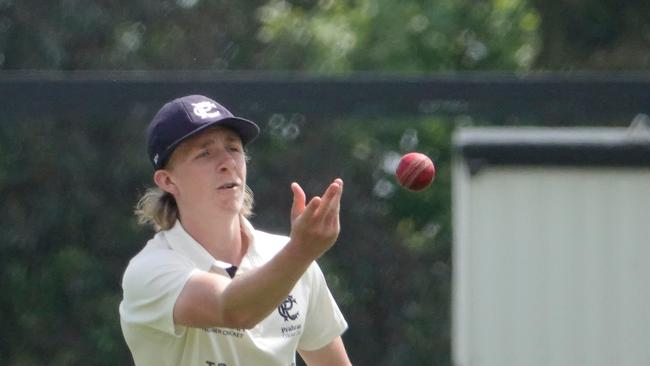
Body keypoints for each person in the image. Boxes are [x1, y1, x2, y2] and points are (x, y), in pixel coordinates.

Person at [119, 95, 351, 366]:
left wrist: (300, 253)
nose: (227, 162)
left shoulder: (291, 260)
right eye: (204, 153)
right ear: (168, 180)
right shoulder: (149, 270)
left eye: (234, 148)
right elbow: (233, 311)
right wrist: (301, 251)